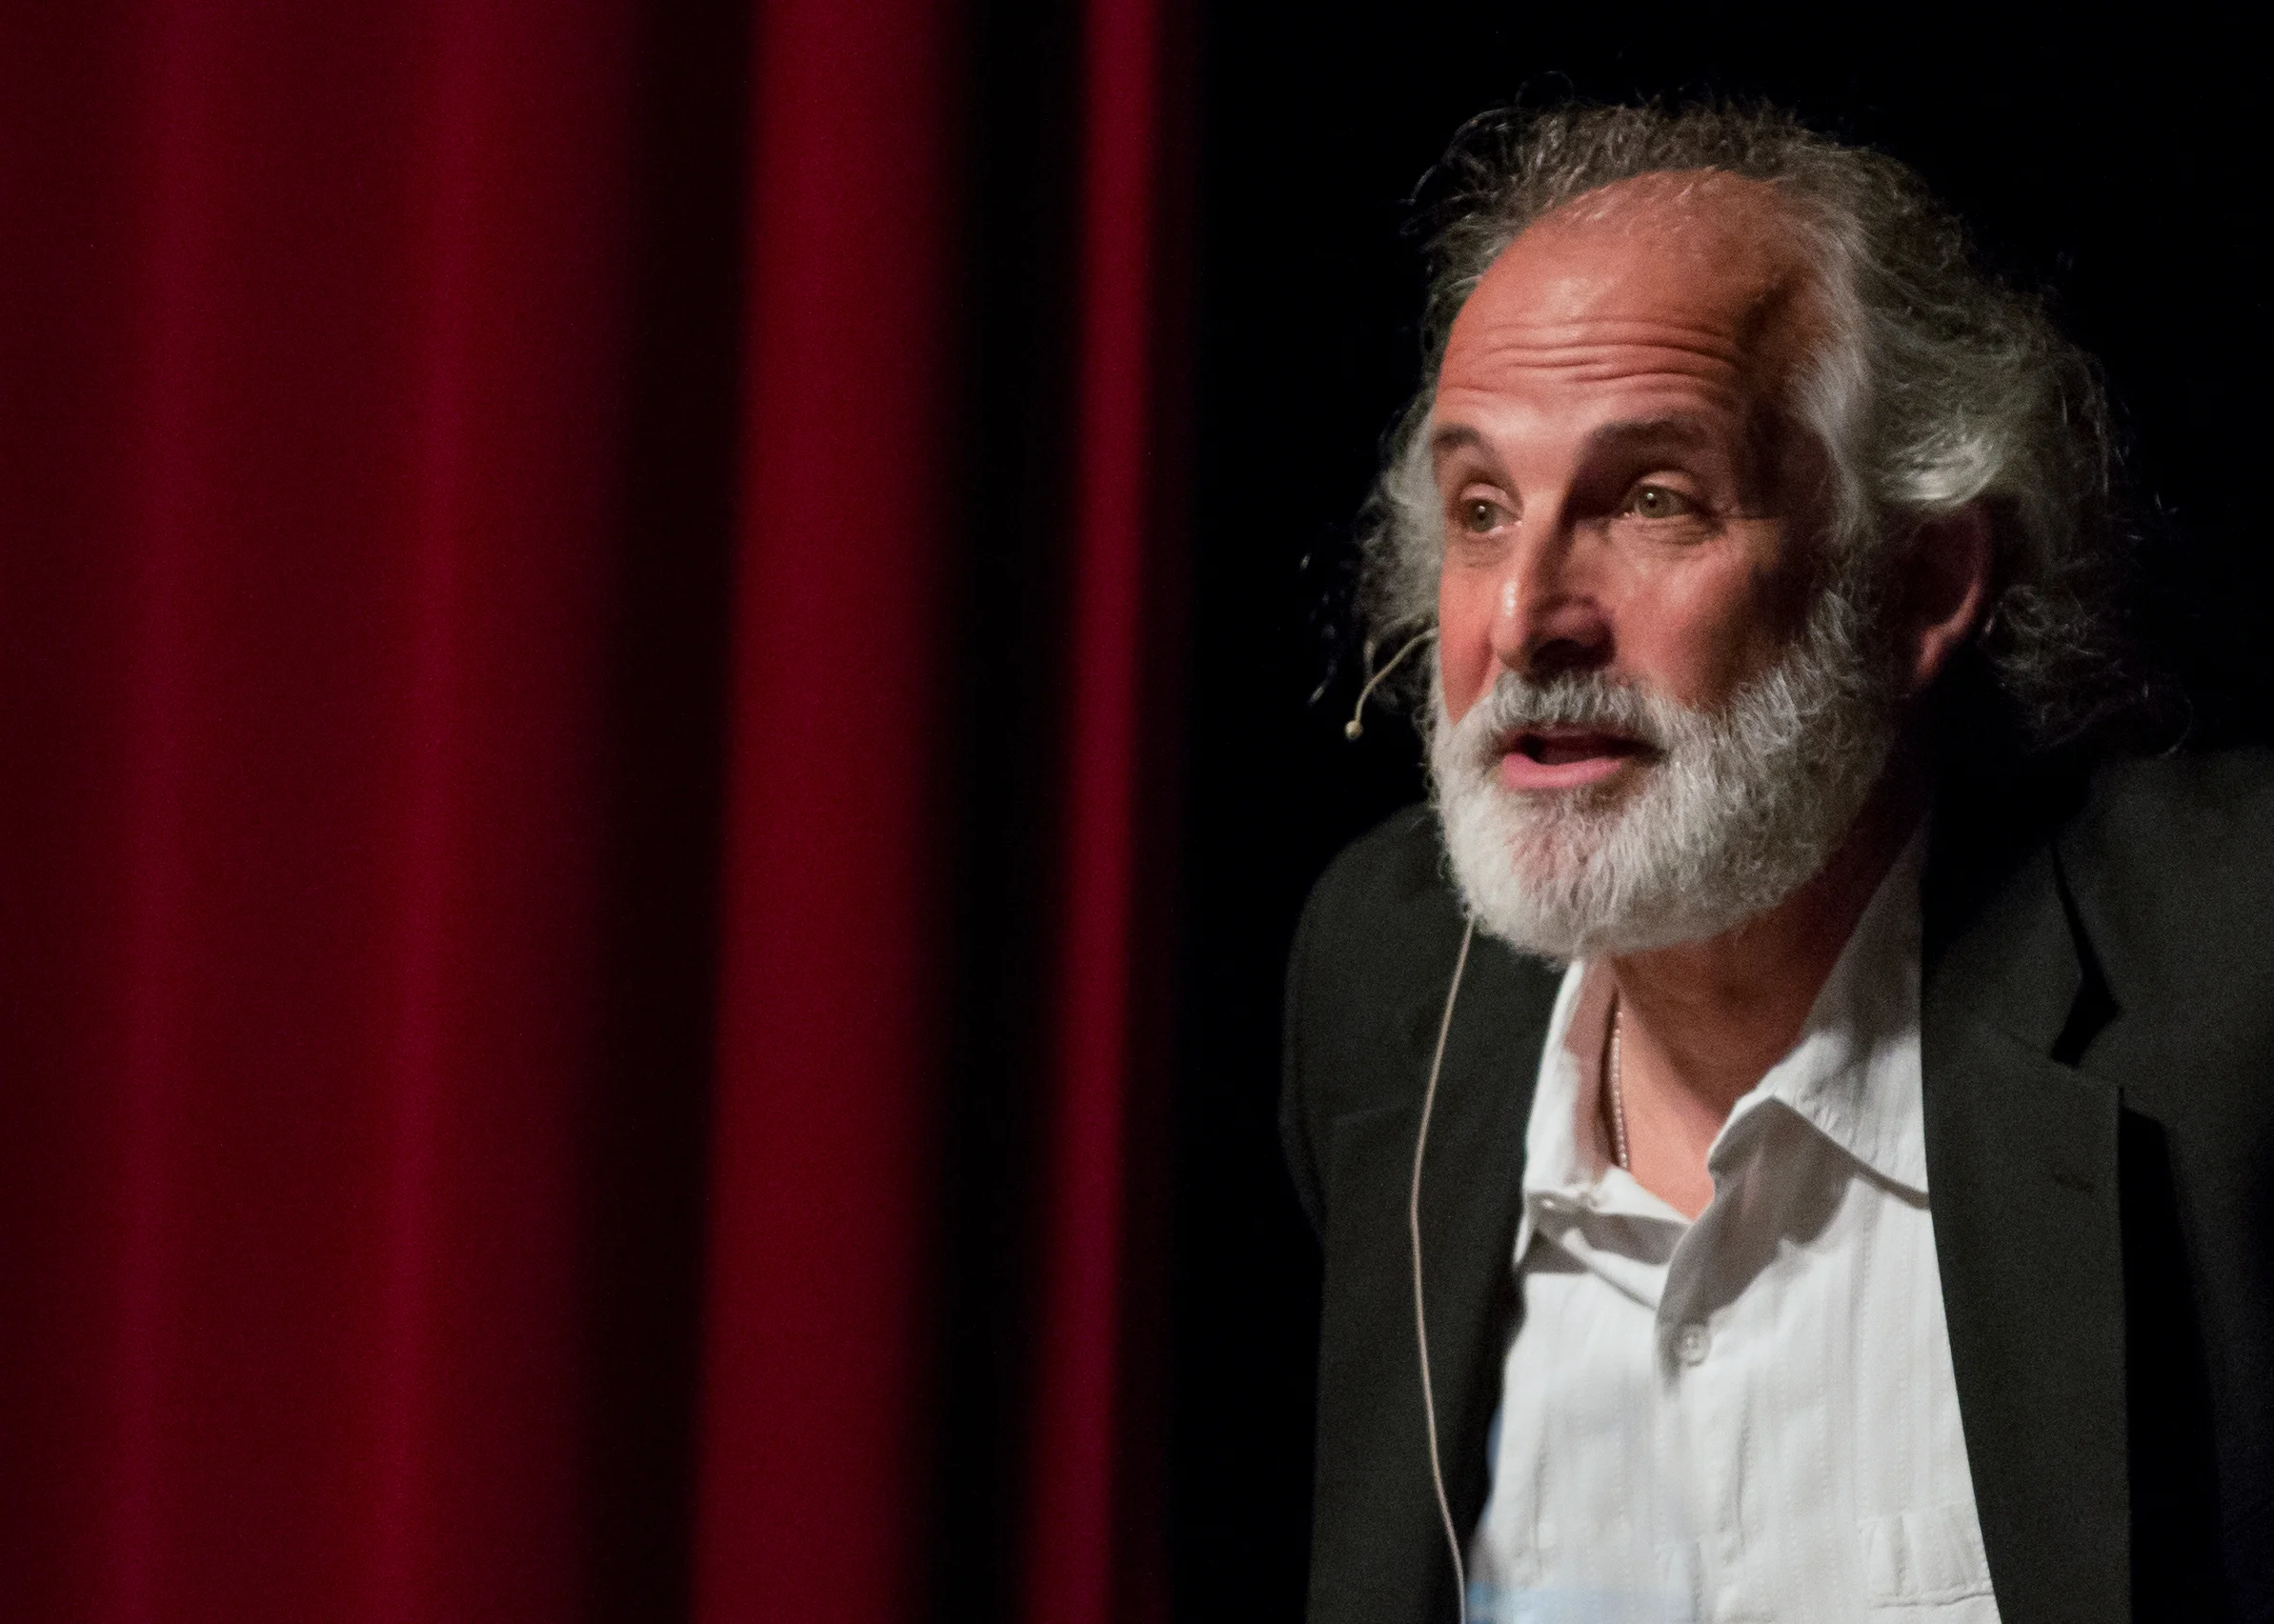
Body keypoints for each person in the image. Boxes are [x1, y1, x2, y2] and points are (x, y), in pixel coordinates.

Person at [1280, 103, 2269, 1624]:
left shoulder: (2228, 963)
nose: (1525, 617)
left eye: (1651, 500)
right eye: (1480, 510)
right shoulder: (1381, 975)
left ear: (1919, 581)